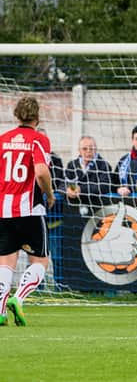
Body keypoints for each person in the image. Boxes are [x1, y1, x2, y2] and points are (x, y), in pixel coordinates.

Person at [0, 96, 56, 326]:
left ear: (16, 115)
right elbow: (41, 172)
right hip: (30, 209)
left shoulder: (2, 140)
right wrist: (50, 194)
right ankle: (18, 299)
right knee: (40, 261)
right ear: (37, 116)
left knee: (5, 263)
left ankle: (0, 310)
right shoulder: (38, 140)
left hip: (3, 210)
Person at [64, 136, 113, 203]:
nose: (88, 151)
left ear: (95, 149)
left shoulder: (104, 165)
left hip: (96, 206)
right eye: (84, 149)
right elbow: (63, 182)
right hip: (74, 205)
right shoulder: (72, 164)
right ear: (79, 150)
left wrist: (81, 189)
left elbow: (104, 187)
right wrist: (67, 189)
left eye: (91, 148)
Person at [37, 127, 64, 193]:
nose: (43, 141)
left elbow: (57, 182)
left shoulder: (56, 159)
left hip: (50, 192)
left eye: (45, 138)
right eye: (40, 138)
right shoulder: (28, 157)